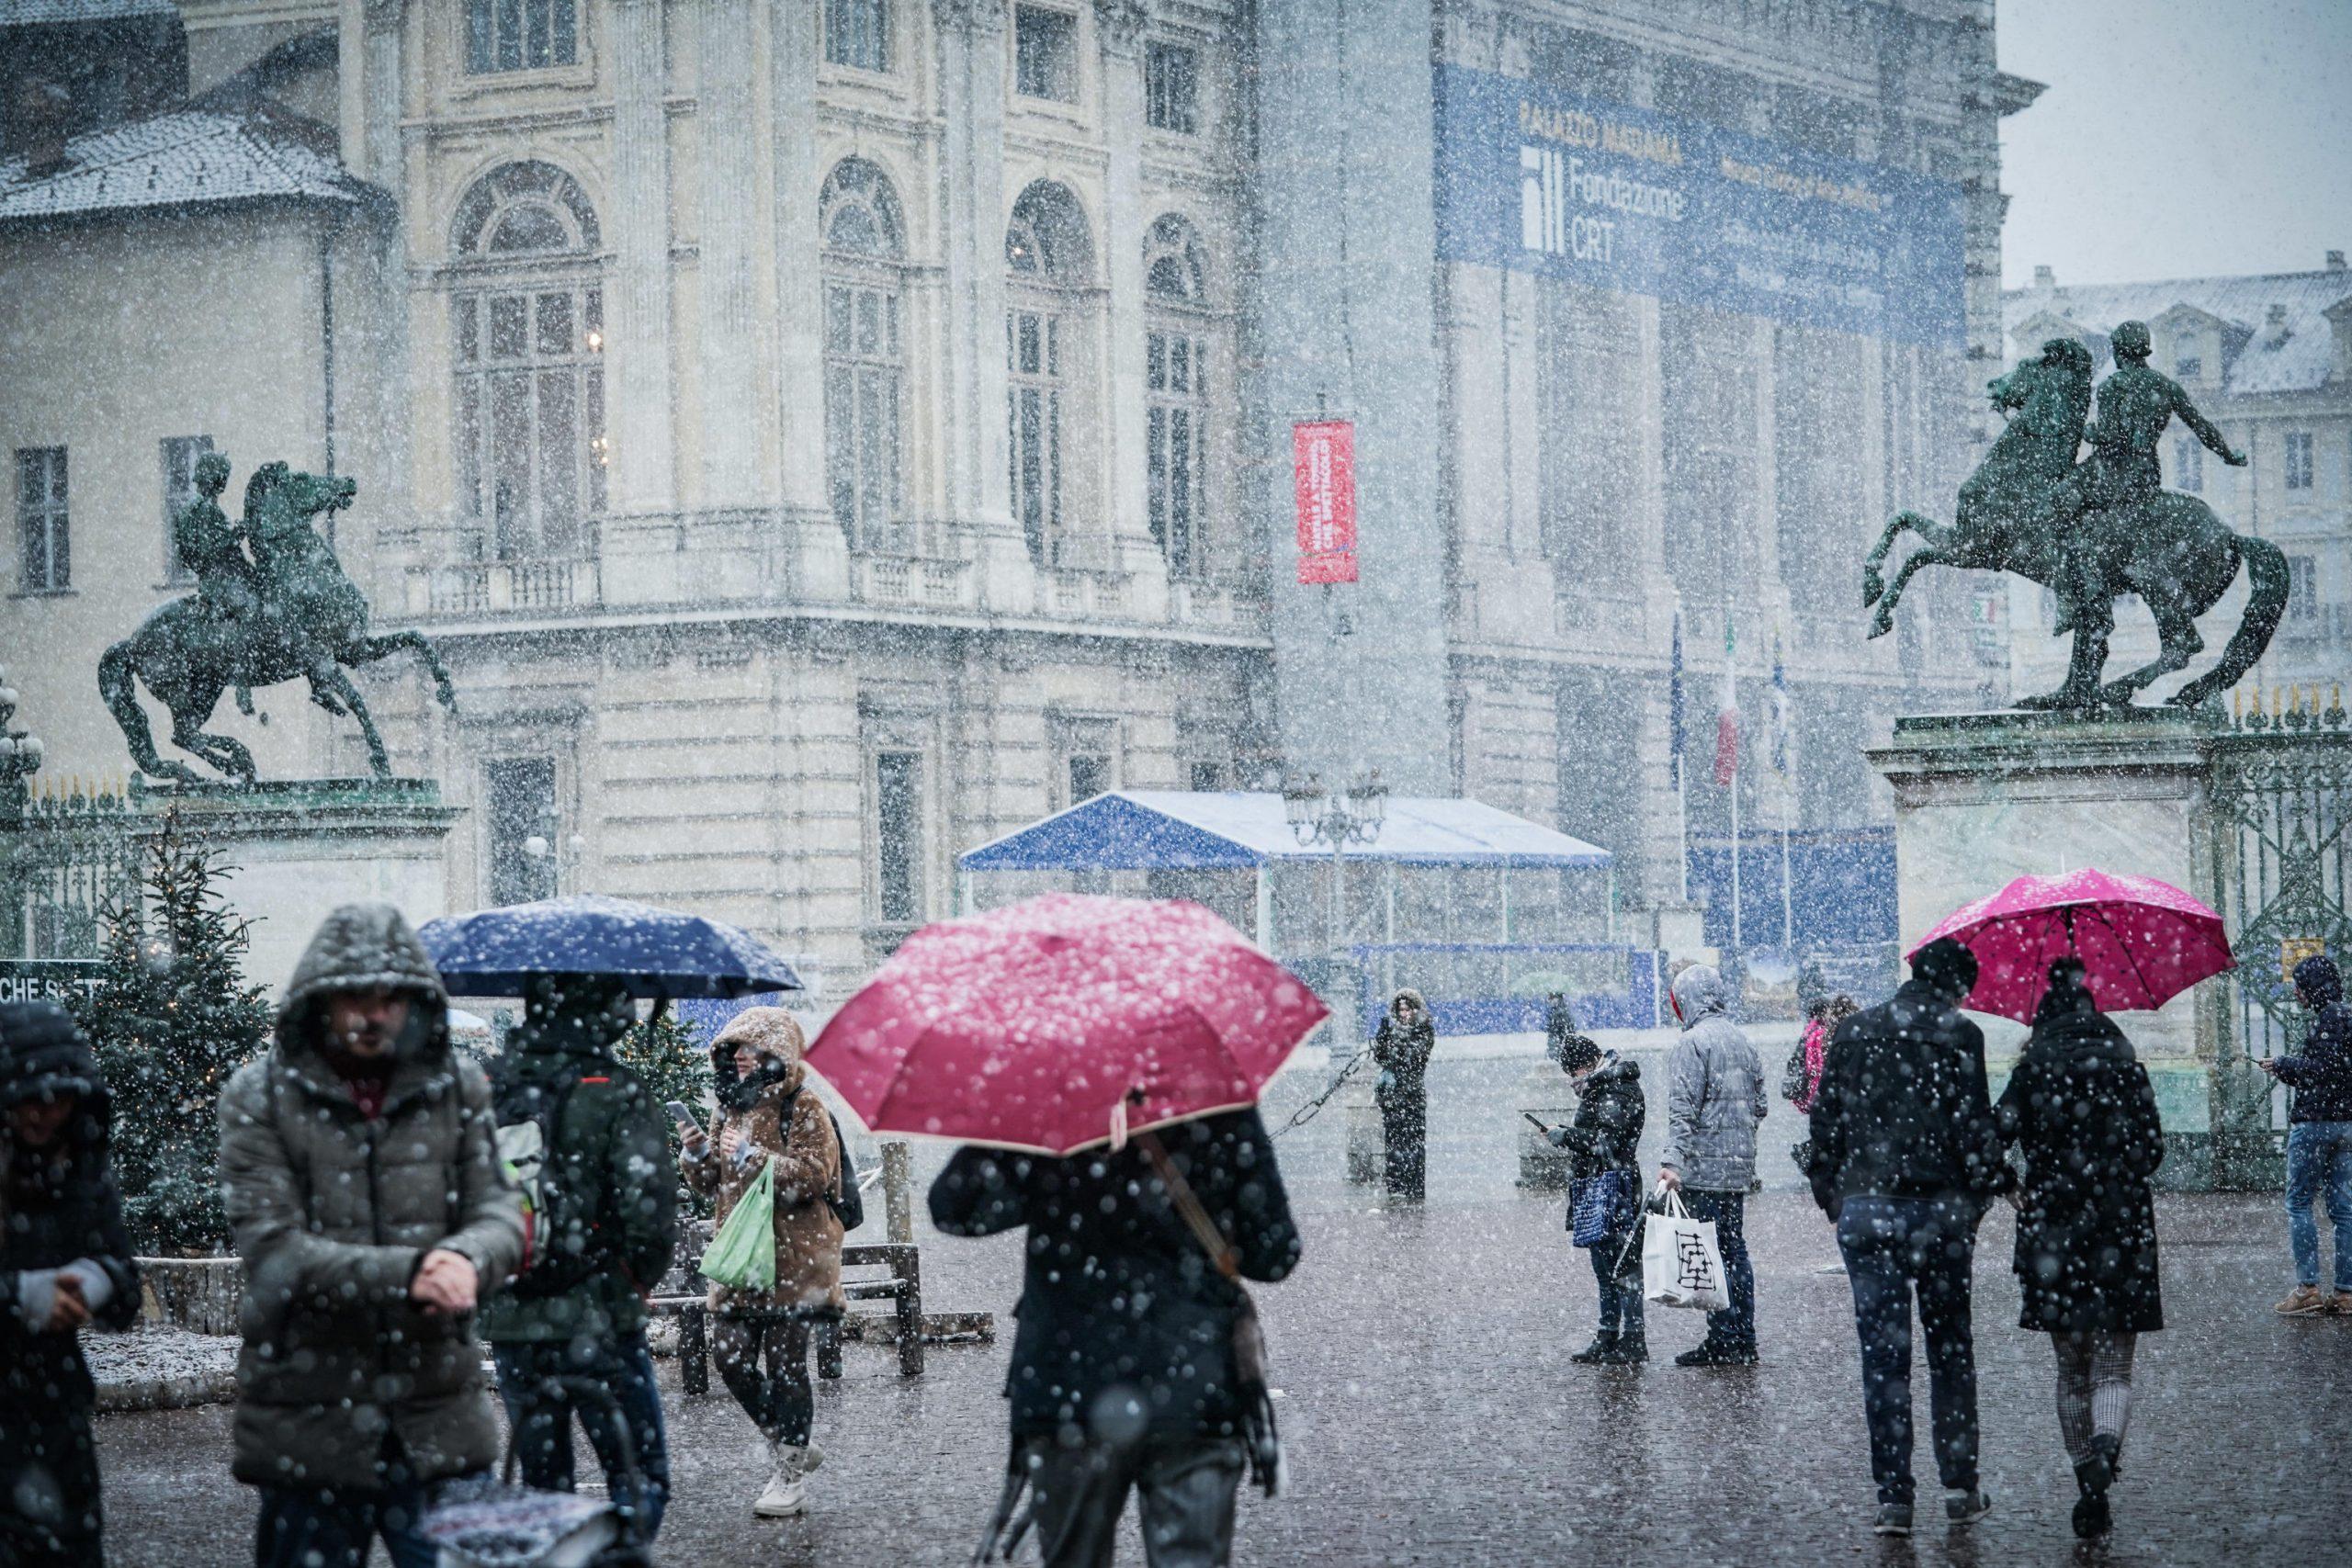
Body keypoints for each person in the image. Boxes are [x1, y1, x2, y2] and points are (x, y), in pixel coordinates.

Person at [218, 904, 525, 1568]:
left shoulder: (459, 1087)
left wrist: (470, 1258)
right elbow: (274, 1251)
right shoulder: (260, 1096)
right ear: (321, 1001)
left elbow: (500, 1212)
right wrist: (413, 1271)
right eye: (357, 994)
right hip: (311, 1425)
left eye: (391, 996)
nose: (374, 1012)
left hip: (437, 1419)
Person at [930, 1107, 1301, 1568]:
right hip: (1192, 1384)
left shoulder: (1052, 1100)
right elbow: (1274, 1253)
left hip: (1071, 1387)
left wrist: (1021, 1125)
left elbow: (955, 1208)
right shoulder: (1215, 1102)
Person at [1805, 936, 2007, 1538]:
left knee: (1884, 1359)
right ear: (1954, 986)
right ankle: (1960, 1487)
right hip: (1939, 1213)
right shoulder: (1960, 1035)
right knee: (1951, 1350)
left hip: (1869, 1211)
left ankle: (1894, 1497)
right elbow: (1977, 1133)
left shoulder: (1856, 1030)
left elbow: (1826, 1119)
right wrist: (1975, 1201)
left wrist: (1834, 1197)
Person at [480, 975, 679, 1538]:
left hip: (513, 1314)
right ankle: (617, 1556)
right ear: (606, 1012)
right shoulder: (615, 1088)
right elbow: (649, 1211)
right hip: (602, 1313)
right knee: (637, 1475)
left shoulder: (487, 1084)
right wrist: (634, 1280)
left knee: (543, 1486)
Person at [1996, 958, 2165, 1540]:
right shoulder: (2125, 1066)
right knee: (2114, 1366)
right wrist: (2114, 1176)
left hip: (2052, 1230)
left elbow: (1991, 1137)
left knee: (2071, 1370)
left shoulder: (2031, 1070)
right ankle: (2104, 1454)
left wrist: (2009, 1184)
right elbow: (2152, 1153)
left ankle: (2083, 1479)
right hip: (2122, 1229)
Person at [680, 1006, 844, 1518]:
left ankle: (790, 1474)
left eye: (753, 1050)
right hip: (741, 1259)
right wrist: (696, 1155)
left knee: (787, 1364)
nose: (742, 1059)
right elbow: (713, 1186)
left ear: (779, 1055)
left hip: (794, 1260)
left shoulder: (804, 1105)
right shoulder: (727, 1108)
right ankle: (792, 1441)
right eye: (733, 1051)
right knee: (730, 1359)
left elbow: (814, 1178)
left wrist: (755, 1156)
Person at [1, 1002, 141, 1567]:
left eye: (57, 1097)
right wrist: (21, 1299)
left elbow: (124, 1280)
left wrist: (95, 1281)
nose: (44, 1112)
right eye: (29, 1097)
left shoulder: (78, 1171)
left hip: (57, 1419)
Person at [1657, 964, 1766, 1366]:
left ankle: (1722, 1340)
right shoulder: (1744, 1041)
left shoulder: (1692, 1044)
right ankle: (1743, 1338)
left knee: (1710, 1253)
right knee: (1734, 1249)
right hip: (1738, 1168)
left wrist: (1673, 1162)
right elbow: (1761, 1106)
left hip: (1704, 1169)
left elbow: (1682, 1111)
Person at [2259, 953, 2352, 1316]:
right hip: (2346, 1124)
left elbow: (2322, 1071)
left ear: (2313, 987)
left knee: (2298, 1203)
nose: (2297, 993)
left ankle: (2308, 1288)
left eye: (2299, 986)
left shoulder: (2329, 1020)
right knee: (2344, 1210)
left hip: (2316, 1123)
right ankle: (2345, 1293)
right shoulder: (2347, 1016)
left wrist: (2282, 1065)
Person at [1546, 1033, 1646, 1364]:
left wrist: (1568, 1136)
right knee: (1604, 1266)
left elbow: (1608, 1141)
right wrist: (1569, 1135)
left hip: (1614, 1185)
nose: (1572, 1080)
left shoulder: (1615, 1088)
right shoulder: (1602, 1087)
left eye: (1573, 1072)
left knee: (1623, 1266)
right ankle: (1608, 1336)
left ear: (1586, 1065)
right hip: (1600, 1184)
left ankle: (1632, 1340)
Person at [1370, 989, 1436, 1202]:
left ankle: (1414, 1189)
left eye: (1408, 1009)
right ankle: (1396, 1188)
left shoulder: (1424, 1030)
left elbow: (1413, 1058)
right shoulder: (1392, 1031)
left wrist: (1396, 1042)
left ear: (1416, 1010)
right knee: (1393, 1144)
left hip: (1413, 1097)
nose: (1404, 1014)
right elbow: (1380, 1057)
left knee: (1414, 1145)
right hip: (1392, 1098)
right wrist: (1382, 1036)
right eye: (1400, 1010)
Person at [1784, 992, 1860, 1115]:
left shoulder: (1811, 1031)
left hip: (1822, 1091)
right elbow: (1818, 1066)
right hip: (1837, 1091)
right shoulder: (1821, 1033)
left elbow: (1814, 1066)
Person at [1543, 992, 1577, 1066]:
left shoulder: (1560, 1010)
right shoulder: (1558, 1009)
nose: (1549, 1000)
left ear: (1557, 998)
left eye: (1551, 998)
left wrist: (1552, 1028)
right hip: (1562, 1038)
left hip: (1560, 1038)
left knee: (1555, 1053)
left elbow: (1560, 1026)